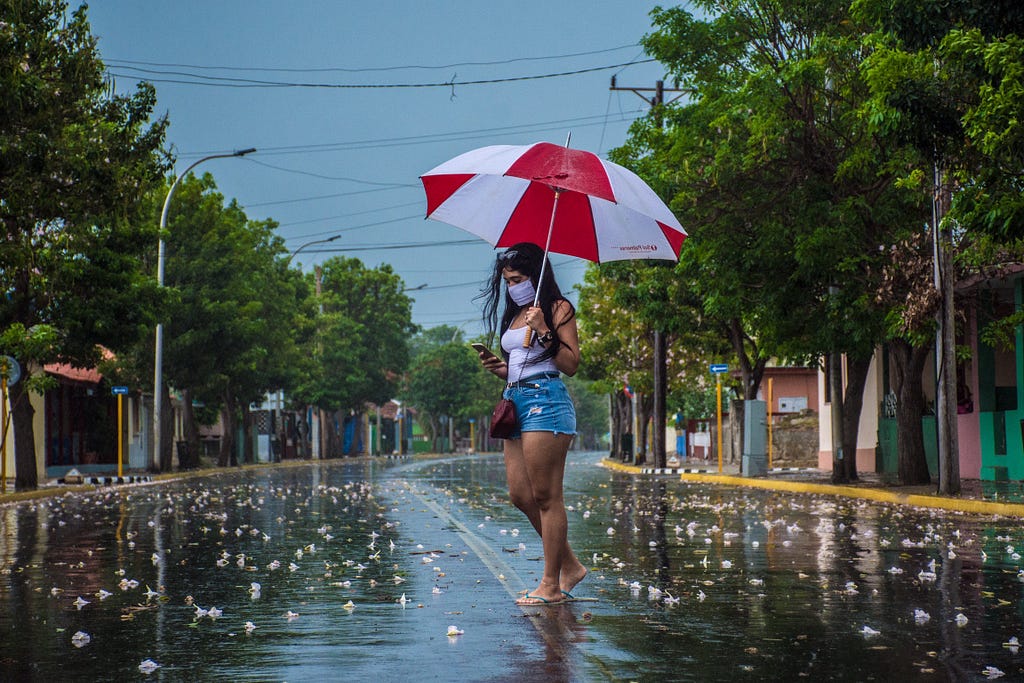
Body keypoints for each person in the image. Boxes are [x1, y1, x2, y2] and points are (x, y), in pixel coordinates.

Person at [476, 242, 588, 606]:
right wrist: (502, 369)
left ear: (536, 277)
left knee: (546, 496)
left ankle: (551, 584)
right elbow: (524, 363)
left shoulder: (557, 309)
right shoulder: (516, 313)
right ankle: (569, 565)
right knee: (520, 495)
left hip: (546, 402)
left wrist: (543, 330)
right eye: (508, 280)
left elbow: (570, 364)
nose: (512, 286)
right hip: (515, 400)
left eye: (519, 279)